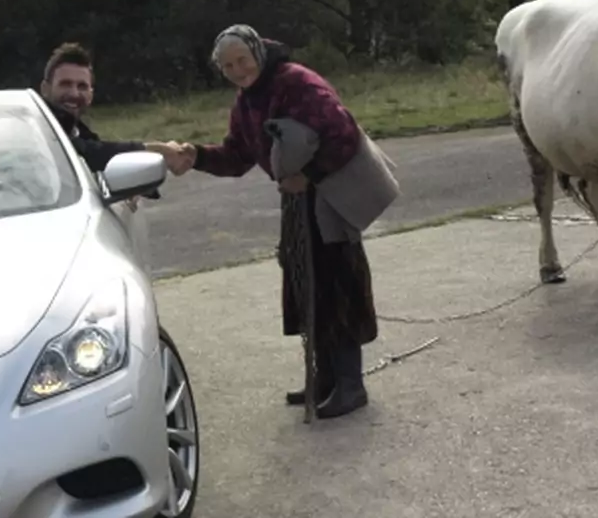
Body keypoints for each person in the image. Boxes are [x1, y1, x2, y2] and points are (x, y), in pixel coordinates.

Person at [172, 25, 398, 420]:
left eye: (242, 59)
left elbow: (342, 133)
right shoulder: (246, 100)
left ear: (258, 51)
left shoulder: (297, 82)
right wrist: (197, 156)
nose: (237, 70)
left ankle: (350, 385)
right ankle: (325, 380)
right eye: (227, 65)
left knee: (336, 284)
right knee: (305, 284)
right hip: (297, 202)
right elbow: (237, 156)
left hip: (329, 197)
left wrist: (310, 174)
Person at [37, 43, 188, 210]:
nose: (74, 93)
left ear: (91, 94)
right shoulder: (40, 134)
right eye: (65, 84)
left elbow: (95, 151)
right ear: (45, 89)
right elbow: (89, 153)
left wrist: (129, 186)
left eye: (82, 86)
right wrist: (160, 151)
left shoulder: (78, 131)